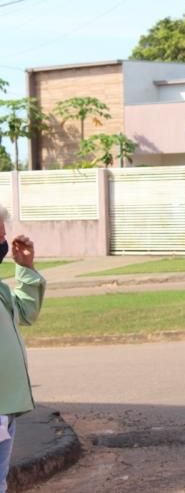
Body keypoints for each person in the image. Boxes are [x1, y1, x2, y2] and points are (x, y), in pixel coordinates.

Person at [0, 206, 45, 493]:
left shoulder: (1, 289)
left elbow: (25, 312)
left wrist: (25, 269)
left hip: (5, 410)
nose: (3, 239)